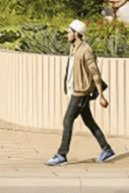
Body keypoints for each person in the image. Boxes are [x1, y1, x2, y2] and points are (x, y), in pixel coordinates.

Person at [47, 20, 114, 166]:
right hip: (76, 90)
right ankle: (106, 149)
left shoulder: (85, 50)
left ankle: (62, 154)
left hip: (81, 92)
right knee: (89, 121)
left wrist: (102, 95)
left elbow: (95, 72)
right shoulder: (74, 48)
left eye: (69, 32)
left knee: (67, 120)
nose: (67, 34)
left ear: (76, 34)